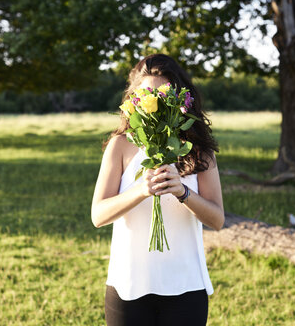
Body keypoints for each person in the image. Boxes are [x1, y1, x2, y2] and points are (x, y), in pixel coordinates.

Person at [91, 54, 225, 326]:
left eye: (162, 95)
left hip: (186, 285)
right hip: (128, 285)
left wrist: (183, 193)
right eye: (146, 94)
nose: (154, 102)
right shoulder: (120, 146)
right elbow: (98, 215)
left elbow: (217, 220)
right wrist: (141, 190)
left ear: (177, 98)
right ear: (134, 99)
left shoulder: (199, 150)